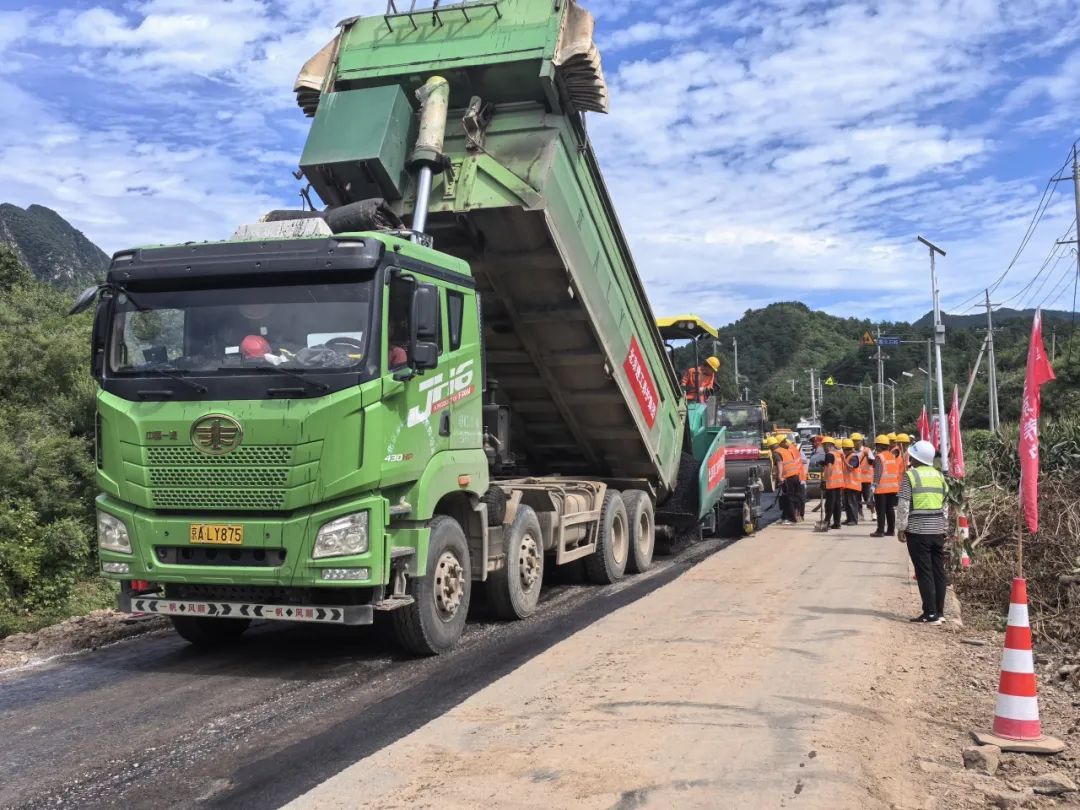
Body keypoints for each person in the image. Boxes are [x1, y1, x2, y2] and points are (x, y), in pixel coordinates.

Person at [897, 440, 949, 624]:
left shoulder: (910, 476)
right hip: (937, 529)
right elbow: (945, 504)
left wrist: (901, 528)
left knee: (924, 571)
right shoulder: (939, 476)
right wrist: (945, 527)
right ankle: (940, 612)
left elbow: (903, 505)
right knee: (938, 570)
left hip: (918, 531)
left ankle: (930, 613)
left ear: (916, 458)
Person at [871, 434, 900, 537]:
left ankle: (880, 531)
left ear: (878, 446)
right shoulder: (892, 456)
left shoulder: (879, 457)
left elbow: (878, 472)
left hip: (882, 488)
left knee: (881, 510)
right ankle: (891, 530)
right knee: (889, 509)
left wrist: (874, 485)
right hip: (892, 488)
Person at [773, 434, 803, 525]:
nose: (786, 442)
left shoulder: (777, 452)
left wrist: (779, 476)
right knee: (793, 497)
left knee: (789, 498)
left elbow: (780, 464)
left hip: (788, 477)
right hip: (795, 476)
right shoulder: (786, 450)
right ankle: (786, 516)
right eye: (785, 441)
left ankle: (791, 518)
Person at [821, 437, 845, 530]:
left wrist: (825, 480)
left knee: (830, 504)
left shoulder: (829, 455)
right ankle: (837, 523)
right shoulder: (837, 454)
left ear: (828, 445)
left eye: (824, 445)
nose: (823, 447)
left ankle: (826, 522)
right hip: (838, 482)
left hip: (831, 482)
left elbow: (830, 467)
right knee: (837, 504)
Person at [851, 432, 875, 518]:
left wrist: (868, 457)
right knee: (857, 498)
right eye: (853, 441)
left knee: (868, 498)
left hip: (866, 479)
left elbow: (873, 462)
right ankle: (861, 515)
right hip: (856, 479)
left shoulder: (867, 450)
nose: (853, 443)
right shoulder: (851, 451)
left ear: (860, 441)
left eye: (855, 441)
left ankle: (873, 514)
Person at [841, 438, 861, 525]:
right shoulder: (848, 456)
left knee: (852, 503)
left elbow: (851, 467)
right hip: (847, 484)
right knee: (847, 503)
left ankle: (854, 520)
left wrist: (843, 460)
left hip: (853, 484)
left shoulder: (854, 457)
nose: (843, 451)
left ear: (847, 449)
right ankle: (849, 519)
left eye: (844, 449)